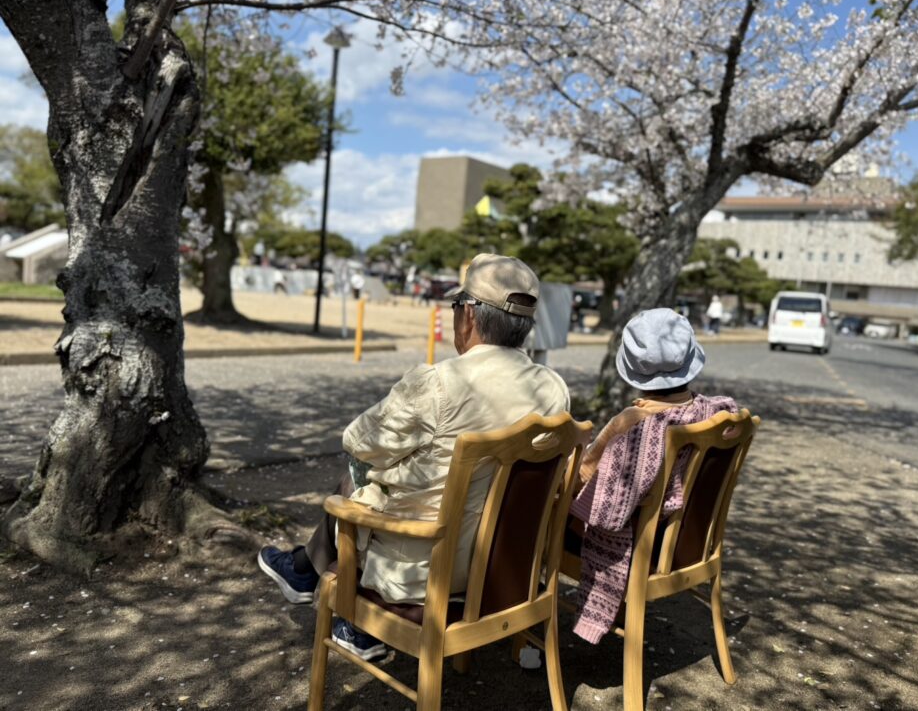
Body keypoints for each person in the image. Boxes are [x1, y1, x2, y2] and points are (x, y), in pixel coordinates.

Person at [257, 253, 571, 660]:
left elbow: (357, 440)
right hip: (507, 568)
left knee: (359, 477)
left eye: (457, 305)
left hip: (422, 576)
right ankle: (305, 573)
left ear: (469, 317)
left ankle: (316, 580)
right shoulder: (552, 388)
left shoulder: (440, 383)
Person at [567, 308, 738, 644]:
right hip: (688, 540)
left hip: (639, 546)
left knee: (552, 511)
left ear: (632, 370)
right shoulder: (715, 414)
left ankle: (531, 621)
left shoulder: (630, 424)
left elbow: (584, 479)